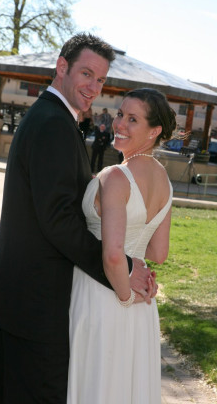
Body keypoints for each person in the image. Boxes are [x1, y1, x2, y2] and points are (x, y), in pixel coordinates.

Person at [0, 33, 154, 404]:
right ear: (62, 67)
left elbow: (57, 199)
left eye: (101, 79)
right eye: (86, 74)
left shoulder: (49, 117)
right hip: (35, 302)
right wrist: (119, 267)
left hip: (18, 293)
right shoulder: (54, 124)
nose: (94, 87)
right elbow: (58, 220)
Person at [67, 88, 176, 404]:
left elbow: (113, 254)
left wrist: (125, 296)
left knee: (95, 385)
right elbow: (158, 253)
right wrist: (134, 291)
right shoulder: (166, 183)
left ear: (154, 131)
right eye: (119, 115)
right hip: (141, 308)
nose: (120, 125)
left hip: (103, 296)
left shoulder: (116, 175)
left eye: (133, 119)